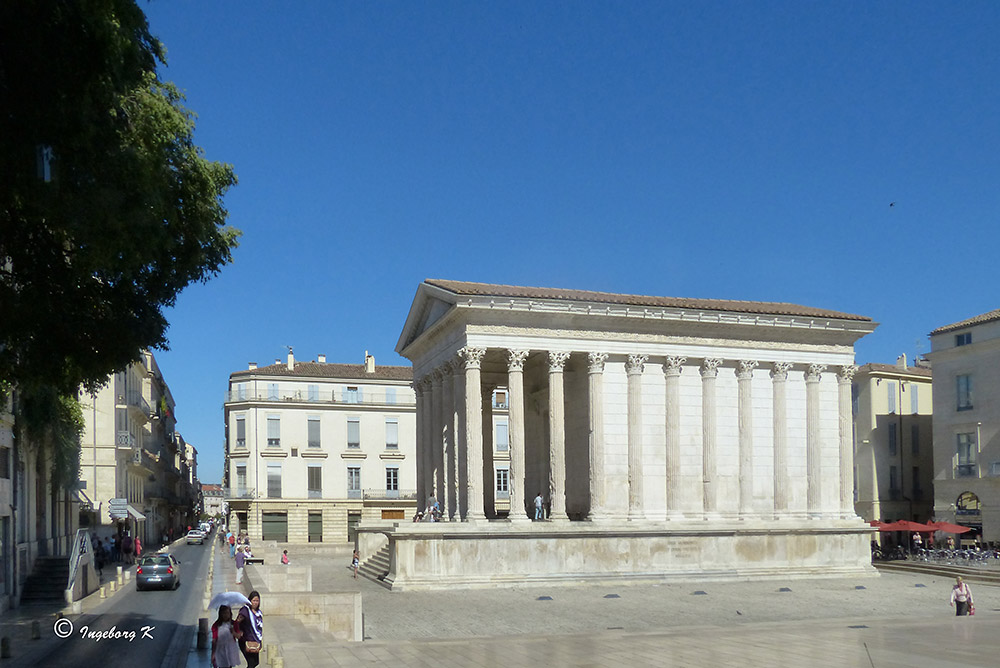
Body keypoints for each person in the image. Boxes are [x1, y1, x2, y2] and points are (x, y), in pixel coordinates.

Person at [236, 591, 263, 668]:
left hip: (255, 641)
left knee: (255, 662)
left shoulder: (258, 613)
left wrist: (260, 641)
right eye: (254, 601)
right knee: (251, 663)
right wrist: (239, 631)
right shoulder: (245, 611)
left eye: (257, 601)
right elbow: (237, 622)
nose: (255, 603)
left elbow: (259, 628)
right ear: (250, 601)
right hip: (246, 641)